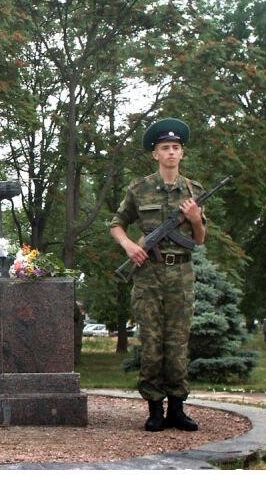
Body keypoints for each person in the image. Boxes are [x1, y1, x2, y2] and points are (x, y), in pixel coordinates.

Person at [109, 118, 206, 432]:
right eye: (165, 148)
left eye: (176, 148)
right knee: (152, 344)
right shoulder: (139, 189)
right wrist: (128, 246)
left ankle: (177, 409)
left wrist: (195, 219)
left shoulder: (194, 191)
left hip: (181, 275)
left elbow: (200, 239)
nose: (171, 153)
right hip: (149, 275)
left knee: (178, 344)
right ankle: (154, 410)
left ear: (182, 153)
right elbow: (116, 223)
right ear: (155, 154)